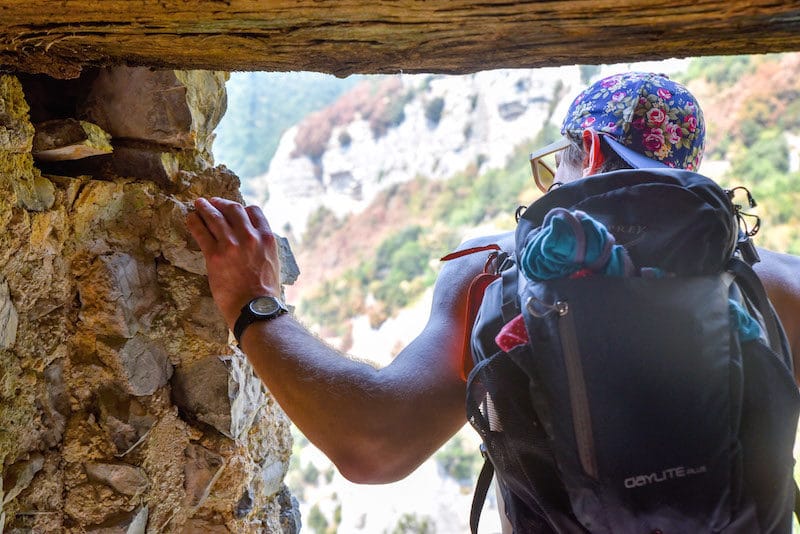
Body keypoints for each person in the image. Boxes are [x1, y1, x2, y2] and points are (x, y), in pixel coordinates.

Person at [186, 71, 800, 494]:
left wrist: (251, 300)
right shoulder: (778, 284)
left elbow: (372, 444)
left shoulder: (494, 274)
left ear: (584, 150)